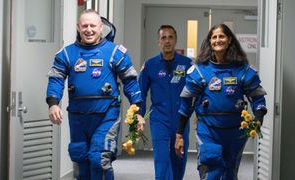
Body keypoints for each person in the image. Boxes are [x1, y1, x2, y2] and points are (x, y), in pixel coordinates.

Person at [46, 9, 144, 180]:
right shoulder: (67, 54)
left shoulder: (115, 52)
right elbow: (56, 78)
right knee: (81, 159)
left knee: (99, 158)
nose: (88, 30)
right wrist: (53, 103)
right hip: (78, 116)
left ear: (101, 27)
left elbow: (130, 81)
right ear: (78, 27)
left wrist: (138, 110)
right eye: (84, 26)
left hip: (107, 115)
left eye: (93, 25)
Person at [174, 23, 267, 179]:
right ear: (210, 41)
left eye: (222, 36)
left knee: (229, 174)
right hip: (208, 131)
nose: (218, 40)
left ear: (229, 40)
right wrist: (179, 134)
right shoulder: (199, 71)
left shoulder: (242, 70)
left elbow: (258, 98)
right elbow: (186, 106)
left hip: (235, 132)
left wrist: (257, 120)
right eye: (214, 37)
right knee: (212, 172)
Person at [139, 25, 192, 180]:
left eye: (170, 37)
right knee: (162, 160)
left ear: (175, 41)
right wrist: (139, 115)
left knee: (178, 160)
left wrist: (199, 116)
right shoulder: (150, 65)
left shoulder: (187, 64)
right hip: (159, 119)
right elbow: (140, 92)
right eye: (163, 37)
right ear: (158, 42)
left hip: (181, 119)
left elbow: (197, 92)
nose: (167, 41)